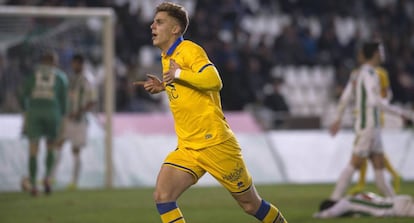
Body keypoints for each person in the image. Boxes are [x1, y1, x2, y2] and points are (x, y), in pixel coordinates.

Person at [134, 2, 287, 223]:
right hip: (188, 146)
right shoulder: (168, 57)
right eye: (154, 22)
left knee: (251, 205)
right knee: (163, 196)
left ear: (175, 29)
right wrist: (165, 85)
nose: (152, 26)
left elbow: (214, 80)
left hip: (215, 143)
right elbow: (189, 87)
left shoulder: (190, 51)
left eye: (159, 22)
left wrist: (177, 75)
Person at [328, 41, 414, 202]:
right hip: (368, 126)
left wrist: (337, 119)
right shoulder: (371, 74)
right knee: (354, 164)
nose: (383, 54)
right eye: (381, 51)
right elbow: (375, 101)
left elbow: (345, 98)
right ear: (375, 53)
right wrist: (402, 113)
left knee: (379, 169)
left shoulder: (356, 74)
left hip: (372, 127)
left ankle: (394, 202)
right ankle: (333, 201)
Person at [20, 51, 68, 196]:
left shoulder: (33, 75)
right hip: (52, 113)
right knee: (51, 146)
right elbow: (64, 102)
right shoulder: (60, 76)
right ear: (54, 62)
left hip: (34, 113)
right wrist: (63, 119)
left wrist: (26, 112)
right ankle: (47, 177)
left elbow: (23, 96)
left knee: (33, 148)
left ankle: (34, 184)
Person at [347, 66, 401, 195]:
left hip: (373, 118)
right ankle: (393, 176)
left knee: (361, 150)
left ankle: (361, 183)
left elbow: (387, 94)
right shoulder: (356, 73)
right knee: (370, 151)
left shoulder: (381, 73)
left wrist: (380, 102)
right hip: (360, 117)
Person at [52, 53, 97, 190]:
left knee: (75, 150)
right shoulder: (70, 78)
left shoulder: (87, 79)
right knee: (58, 145)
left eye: (77, 63)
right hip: (67, 118)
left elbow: (92, 101)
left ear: (81, 64)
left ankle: (74, 182)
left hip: (79, 120)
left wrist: (78, 112)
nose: (74, 65)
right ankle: (52, 177)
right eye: (73, 63)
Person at [314, 192, 414, 218]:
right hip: (398, 200)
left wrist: (317, 215)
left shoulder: (345, 202)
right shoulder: (356, 196)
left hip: (396, 209)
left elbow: (329, 214)